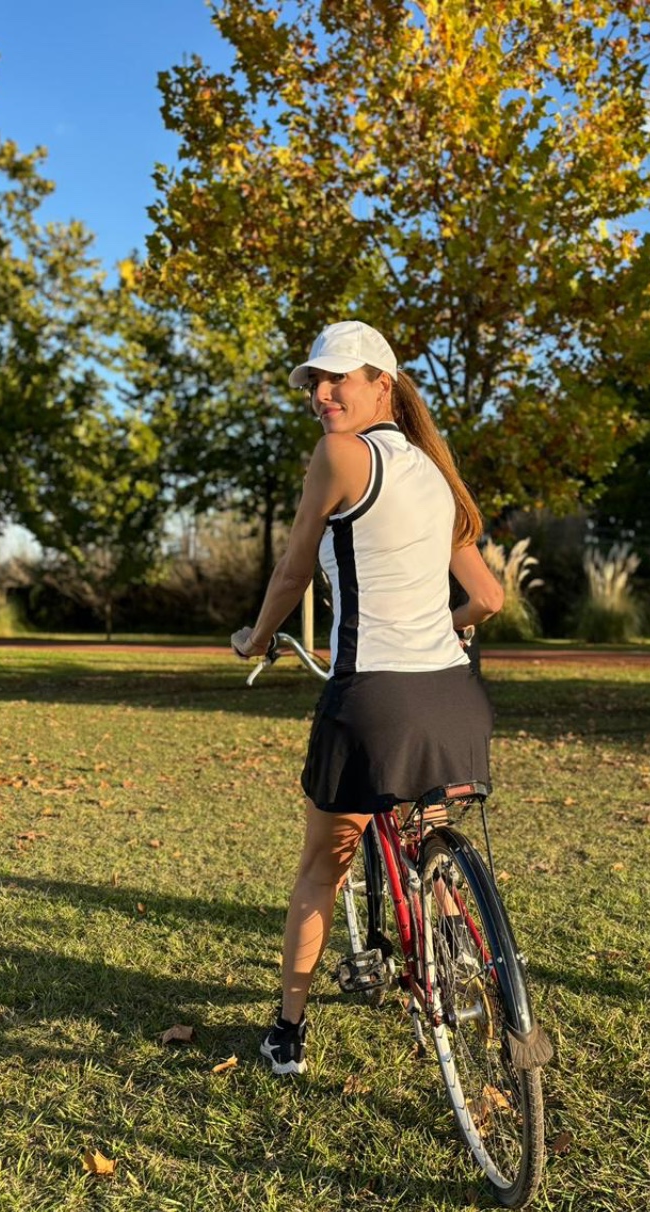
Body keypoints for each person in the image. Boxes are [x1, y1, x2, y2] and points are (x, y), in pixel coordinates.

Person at [231, 319, 504, 1076]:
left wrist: (256, 639)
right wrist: (436, 627)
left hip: (374, 701)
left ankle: (287, 1030)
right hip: (453, 696)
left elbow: (289, 575)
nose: (321, 394)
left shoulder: (341, 456)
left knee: (323, 864)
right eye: (314, 382)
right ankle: (455, 966)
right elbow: (487, 596)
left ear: (382, 383)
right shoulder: (435, 476)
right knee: (430, 835)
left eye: (337, 378)